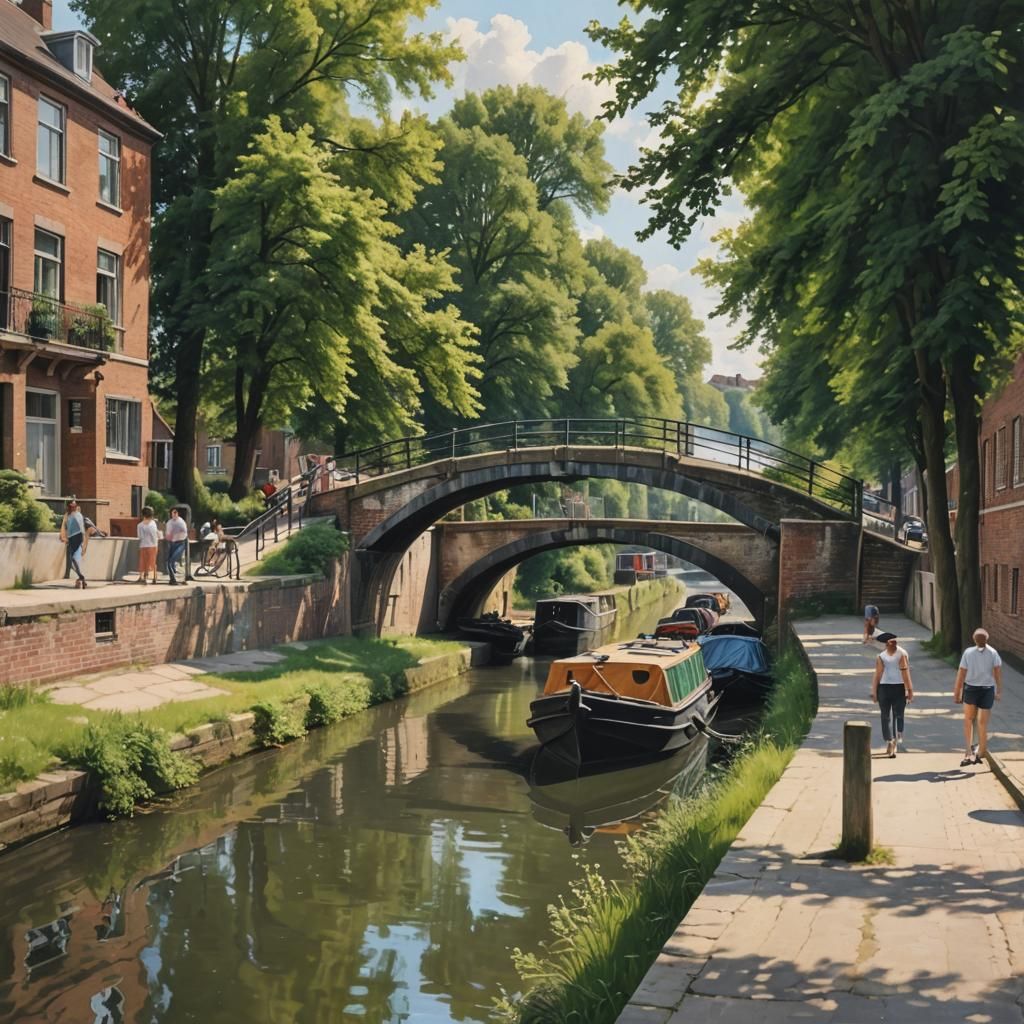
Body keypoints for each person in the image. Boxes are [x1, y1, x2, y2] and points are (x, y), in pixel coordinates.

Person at [953, 628, 1003, 767]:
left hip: (971, 689)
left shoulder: (968, 652)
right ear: (987, 639)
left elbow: (961, 673)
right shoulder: (993, 653)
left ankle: (969, 751)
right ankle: (980, 751)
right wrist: (999, 691)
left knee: (969, 720)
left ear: (974, 639)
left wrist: (957, 692)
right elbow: (997, 673)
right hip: (987, 690)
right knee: (982, 722)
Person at [871, 634, 914, 757]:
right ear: (886, 644)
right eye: (891, 642)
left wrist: (909, 690)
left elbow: (906, 673)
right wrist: (874, 691)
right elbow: (878, 674)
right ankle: (891, 740)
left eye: (895, 642)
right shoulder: (882, 656)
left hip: (896, 687)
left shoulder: (901, 654)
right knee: (887, 715)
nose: (894, 644)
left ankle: (893, 739)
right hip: (886, 687)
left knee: (894, 715)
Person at [60, 499, 88, 588]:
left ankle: (81, 577)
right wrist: (63, 537)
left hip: (77, 536)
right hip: (71, 538)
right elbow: (64, 526)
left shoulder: (78, 515)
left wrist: (83, 541)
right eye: (72, 506)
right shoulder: (67, 515)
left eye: (75, 506)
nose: (74, 507)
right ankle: (81, 577)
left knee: (73, 558)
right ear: (69, 507)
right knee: (72, 560)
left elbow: (82, 528)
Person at [164, 507, 189, 585]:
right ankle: (173, 579)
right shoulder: (169, 523)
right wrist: (168, 536)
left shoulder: (181, 522)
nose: (174, 515)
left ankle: (177, 579)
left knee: (172, 561)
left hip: (180, 543)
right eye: (172, 513)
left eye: (175, 513)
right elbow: (167, 534)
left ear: (177, 514)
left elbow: (184, 532)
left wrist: (174, 534)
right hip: (172, 543)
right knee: (169, 562)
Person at [136, 506, 159, 584]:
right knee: (152, 562)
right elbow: (154, 536)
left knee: (143, 562)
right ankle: (154, 578)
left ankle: (142, 577)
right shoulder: (153, 524)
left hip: (143, 545)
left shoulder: (139, 525)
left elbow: (140, 537)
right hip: (152, 545)